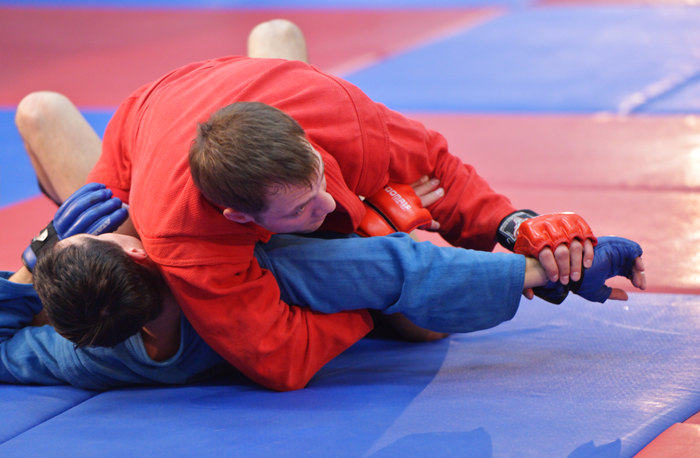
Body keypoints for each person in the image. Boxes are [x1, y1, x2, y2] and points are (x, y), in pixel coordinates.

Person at [14, 20, 631, 391]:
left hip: (241, 104)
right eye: (301, 208)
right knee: (40, 111)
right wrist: (375, 233)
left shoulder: (335, 114)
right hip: (154, 143)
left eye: (319, 183)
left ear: (309, 142)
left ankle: (272, 69)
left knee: (280, 46)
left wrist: (510, 223)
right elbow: (284, 359)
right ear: (238, 220)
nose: (328, 204)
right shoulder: (187, 247)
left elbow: (435, 163)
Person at [0, 185, 645, 390]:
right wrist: (551, 269)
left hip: (336, 295)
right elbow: (400, 272)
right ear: (141, 251)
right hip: (352, 270)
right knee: (402, 251)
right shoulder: (245, 278)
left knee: (41, 114)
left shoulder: (90, 355)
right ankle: (360, 198)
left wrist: (34, 266)